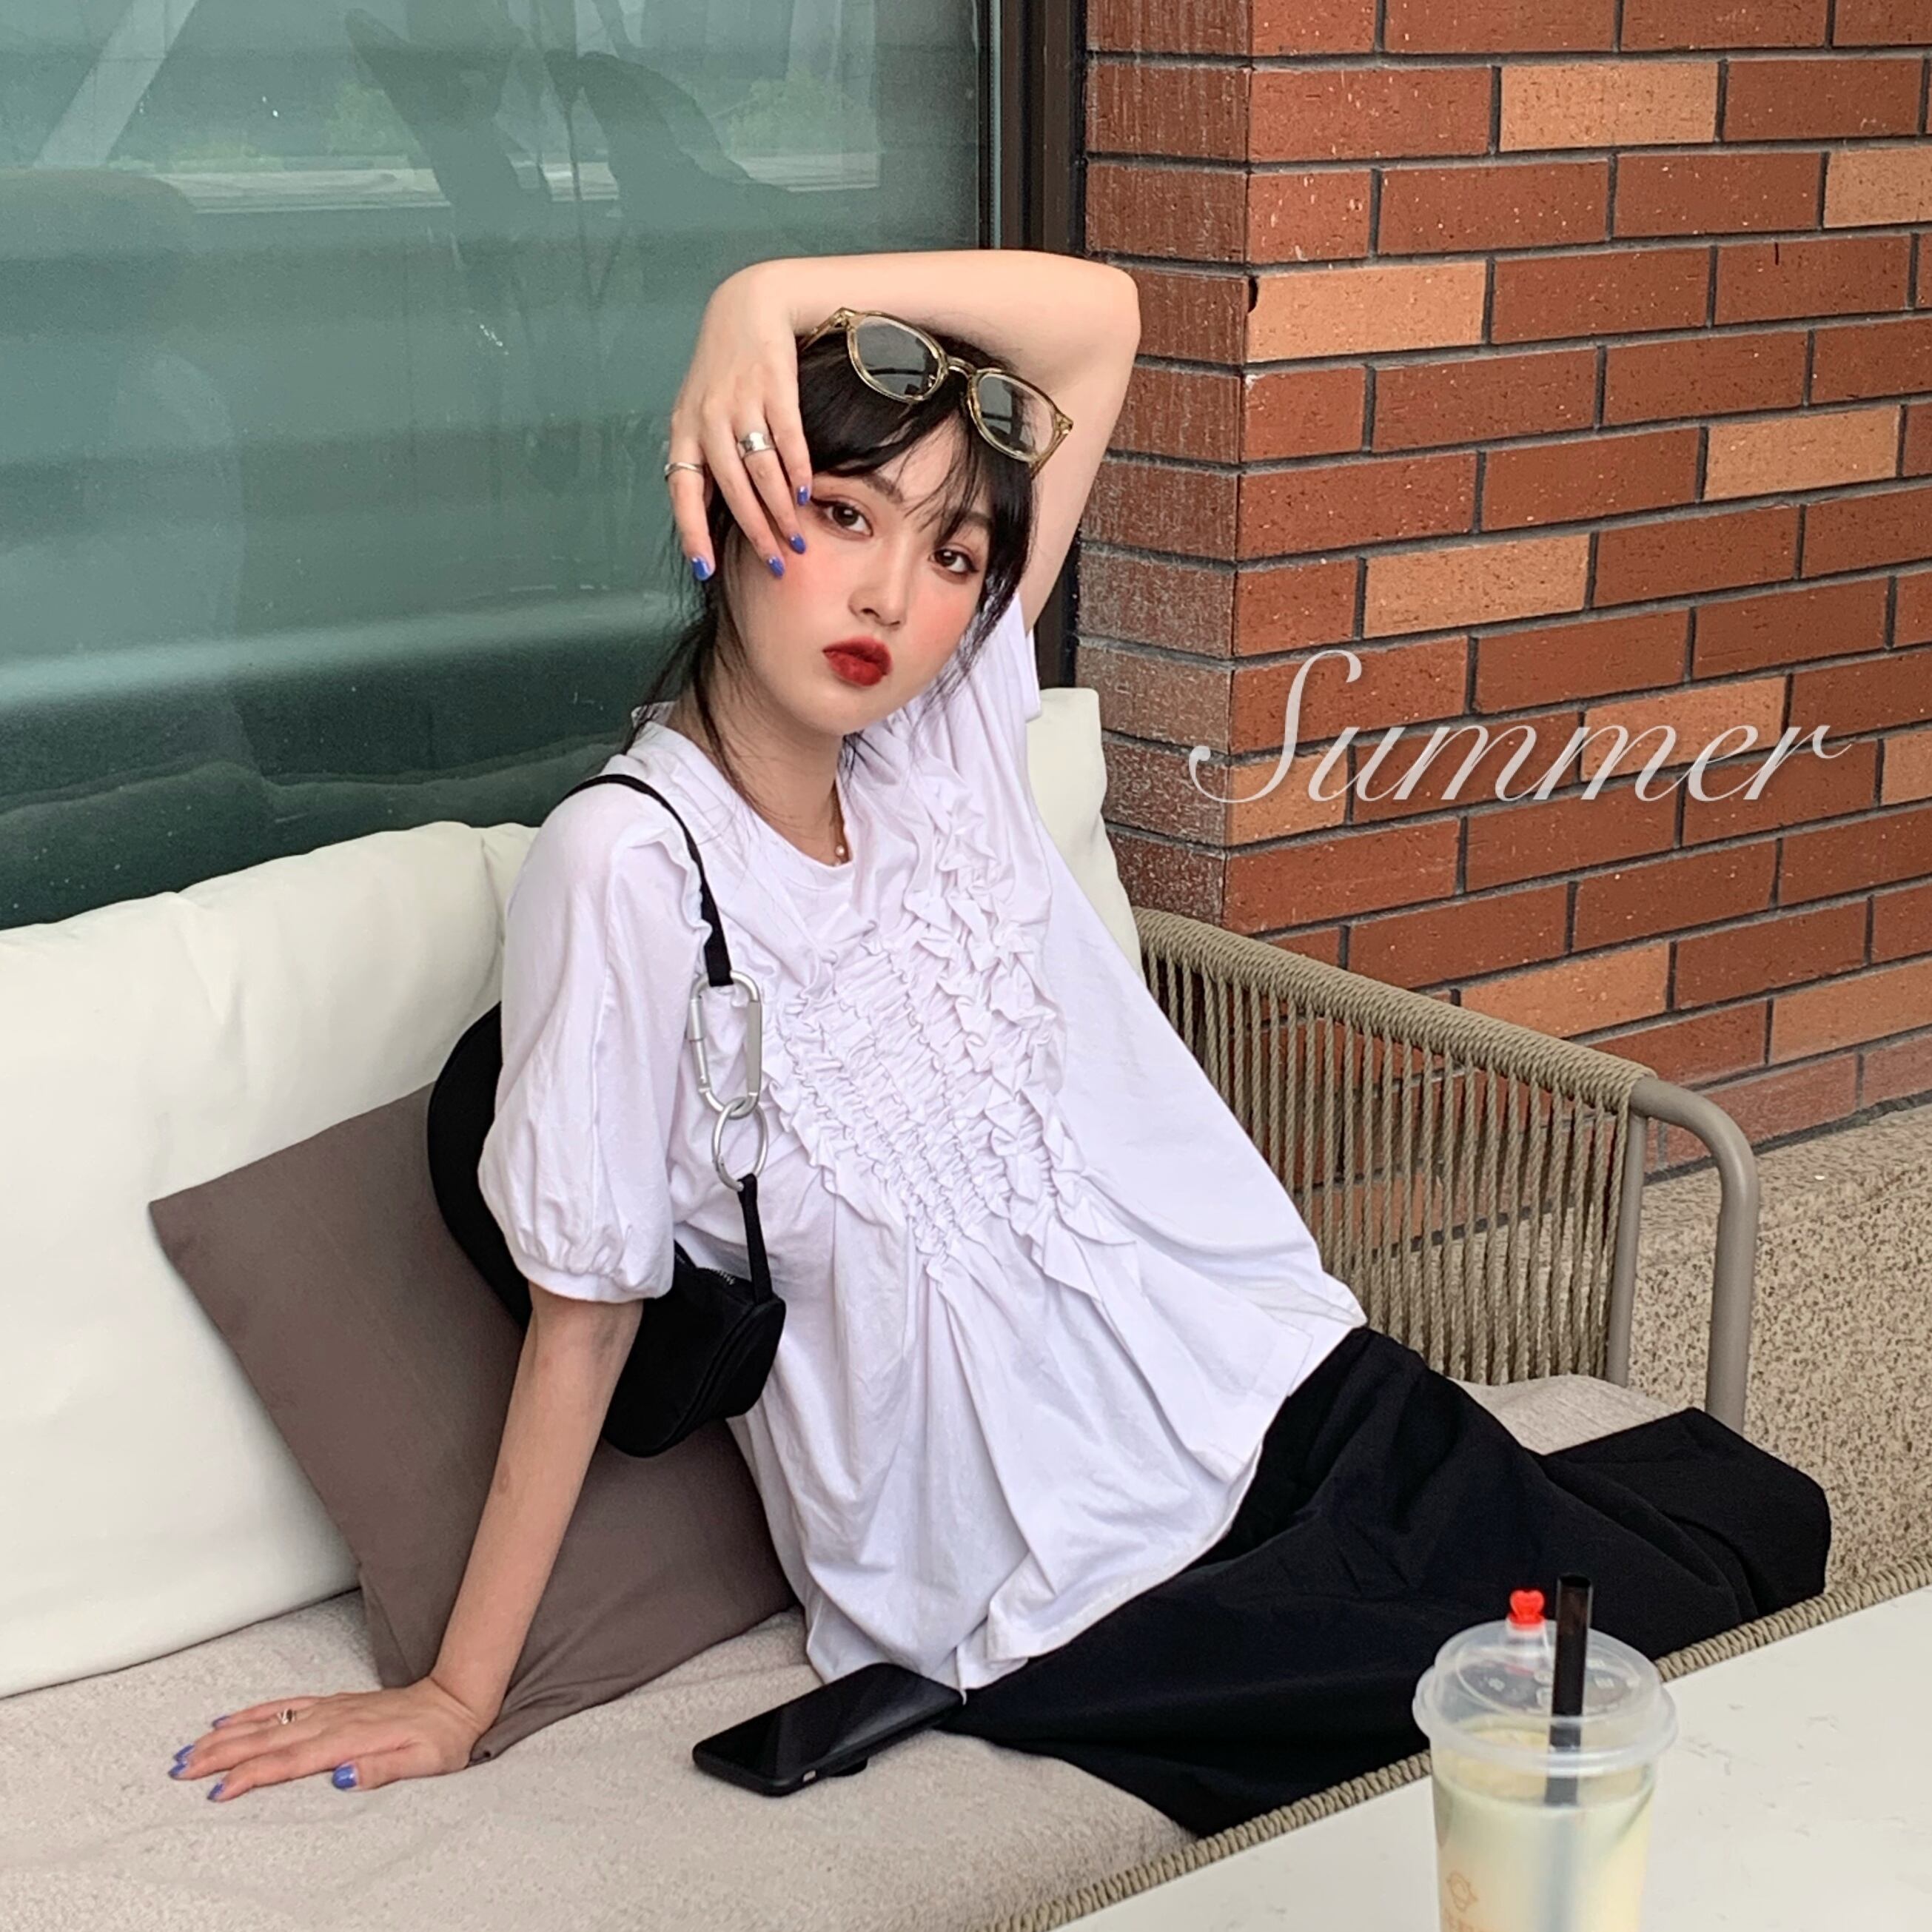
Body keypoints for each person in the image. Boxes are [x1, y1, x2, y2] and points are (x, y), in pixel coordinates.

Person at [170, 249, 1831, 1830]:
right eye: (841, 513)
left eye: (955, 554)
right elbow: (584, 1320)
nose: (894, 595)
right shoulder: (628, 866)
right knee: (1528, 1761)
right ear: (730, 500)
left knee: (1721, 1602)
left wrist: (768, 296)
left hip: (1263, 1394)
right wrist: (459, 1694)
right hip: (1053, 1586)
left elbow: (1097, 321)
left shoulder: (943, 727)